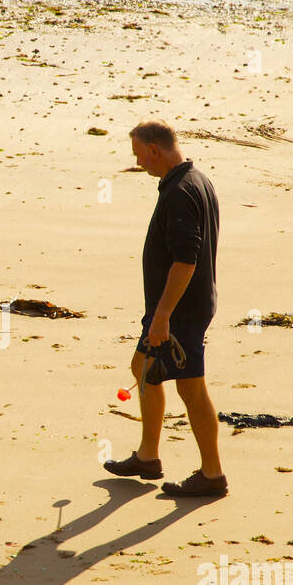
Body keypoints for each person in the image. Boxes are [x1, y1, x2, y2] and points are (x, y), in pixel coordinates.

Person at [103, 120, 227, 497]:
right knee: (142, 367)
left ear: (154, 150)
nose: (139, 163)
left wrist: (162, 318)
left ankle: (211, 475)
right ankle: (148, 455)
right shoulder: (196, 180)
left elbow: (186, 260)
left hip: (179, 311)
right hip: (179, 307)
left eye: (139, 155)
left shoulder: (180, 191)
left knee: (191, 390)